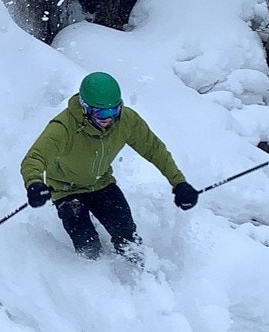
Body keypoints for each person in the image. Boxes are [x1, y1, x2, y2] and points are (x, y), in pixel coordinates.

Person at [20, 72, 199, 260]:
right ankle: (96, 281)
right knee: (87, 245)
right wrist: (34, 183)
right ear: (85, 108)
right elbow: (34, 158)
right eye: (101, 113)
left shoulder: (126, 120)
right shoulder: (64, 127)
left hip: (101, 184)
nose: (109, 118)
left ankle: (138, 277)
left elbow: (154, 150)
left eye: (114, 110)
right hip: (67, 191)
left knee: (128, 237)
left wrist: (179, 183)